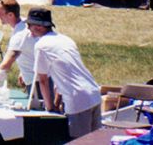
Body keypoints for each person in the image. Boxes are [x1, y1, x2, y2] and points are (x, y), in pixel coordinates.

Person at [27, 7, 101, 139]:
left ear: (38, 26)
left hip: (78, 100)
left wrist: (49, 108)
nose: (28, 29)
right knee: (95, 141)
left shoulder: (41, 46)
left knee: (80, 142)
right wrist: (56, 102)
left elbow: (43, 81)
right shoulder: (66, 39)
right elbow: (63, 75)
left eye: (29, 25)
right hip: (94, 93)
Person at [0, 0, 36, 90]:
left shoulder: (19, 35)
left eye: (0, 14)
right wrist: (22, 72)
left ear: (11, 15)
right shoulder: (24, 24)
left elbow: (5, 65)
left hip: (36, 82)